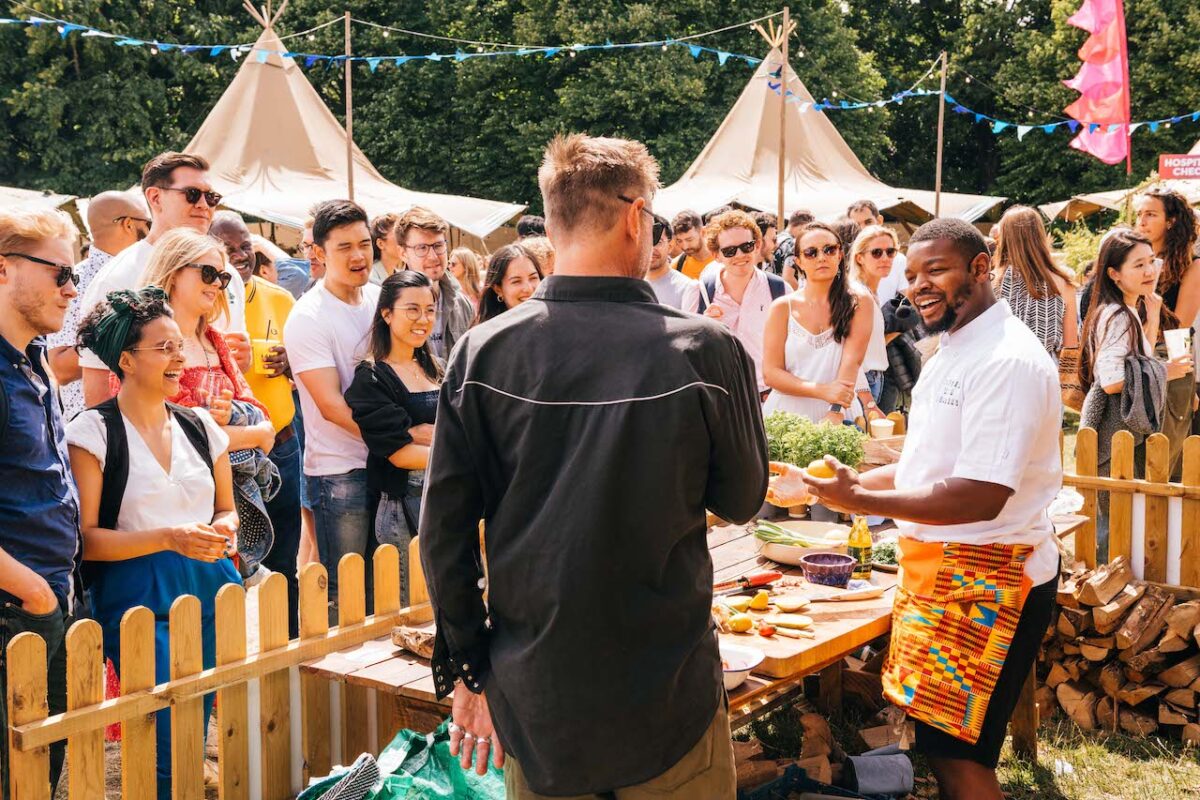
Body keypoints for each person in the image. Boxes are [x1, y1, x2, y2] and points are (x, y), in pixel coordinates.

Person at [422, 133, 766, 798]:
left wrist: (471, 670)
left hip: (537, 684)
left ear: (552, 227)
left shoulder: (483, 354)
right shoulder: (704, 350)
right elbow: (744, 498)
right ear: (637, 219)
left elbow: (444, 538)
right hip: (664, 685)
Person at [770, 218, 1062, 800]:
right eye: (910, 275)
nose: (917, 286)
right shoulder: (956, 344)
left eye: (936, 270)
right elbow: (929, 465)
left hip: (991, 579)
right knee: (938, 744)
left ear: (981, 269)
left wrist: (863, 500)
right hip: (943, 572)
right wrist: (828, 487)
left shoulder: (1007, 361)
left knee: (961, 759)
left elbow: (982, 492)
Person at [68, 287, 241, 800]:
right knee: (164, 728)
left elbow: (226, 508)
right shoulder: (93, 433)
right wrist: (168, 537)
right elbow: (87, 541)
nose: (179, 357)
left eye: (179, 346)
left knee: (198, 715)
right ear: (126, 360)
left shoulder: (201, 425)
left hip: (212, 582)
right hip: (139, 594)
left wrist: (225, 528)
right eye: (164, 347)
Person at [0, 208, 82, 800]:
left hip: (45, 596)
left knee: (39, 770)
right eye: (58, 272)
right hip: (14, 606)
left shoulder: (33, 358)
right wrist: (32, 591)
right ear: (3, 270)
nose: (71, 288)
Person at [78, 153, 250, 407]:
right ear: (155, 198)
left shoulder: (228, 274)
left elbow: (230, 368)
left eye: (212, 197)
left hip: (226, 433)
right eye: (192, 194)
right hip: (154, 437)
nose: (204, 205)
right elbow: (99, 385)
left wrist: (241, 362)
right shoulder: (118, 278)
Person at [284, 200, 384, 618]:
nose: (359, 255)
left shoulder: (383, 299)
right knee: (345, 597)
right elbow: (330, 405)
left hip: (390, 464)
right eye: (345, 247)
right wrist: (400, 440)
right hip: (339, 471)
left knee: (390, 584)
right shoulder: (307, 316)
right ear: (320, 254)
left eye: (364, 244)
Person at [210, 212, 303, 635]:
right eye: (228, 248)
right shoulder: (207, 302)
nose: (240, 255)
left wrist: (290, 363)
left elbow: (306, 368)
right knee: (242, 561)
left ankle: (287, 638)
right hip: (232, 454)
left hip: (283, 441)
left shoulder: (280, 299)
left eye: (245, 245)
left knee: (285, 554)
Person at [1079, 228, 1190, 560]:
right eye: (1138, 265)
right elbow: (1112, 379)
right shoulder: (1118, 316)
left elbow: (1135, 358)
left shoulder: (1125, 311)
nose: (1149, 271)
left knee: (1120, 516)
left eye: (1151, 261)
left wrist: (1152, 316)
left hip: (1116, 433)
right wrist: (1165, 371)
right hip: (1115, 431)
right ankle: (1103, 587)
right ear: (1114, 274)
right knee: (1115, 520)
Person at [345, 271, 440, 607]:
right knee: (410, 610)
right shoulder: (371, 377)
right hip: (405, 507)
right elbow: (400, 455)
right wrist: (456, 450)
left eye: (430, 310)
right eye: (412, 310)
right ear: (386, 313)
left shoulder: (437, 368)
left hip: (446, 499)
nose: (423, 319)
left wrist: (438, 441)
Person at [47, 190, 150, 419]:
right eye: (149, 224)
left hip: (145, 418)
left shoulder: (148, 274)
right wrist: (127, 335)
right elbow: (60, 367)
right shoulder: (74, 282)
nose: (154, 233)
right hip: (94, 429)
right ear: (128, 225)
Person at [764, 222, 875, 423]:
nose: (822, 257)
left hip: (837, 413)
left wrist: (836, 409)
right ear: (798, 261)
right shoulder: (782, 307)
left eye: (829, 250)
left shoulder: (859, 302)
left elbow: (852, 362)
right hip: (785, 417)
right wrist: (822, 390)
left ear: (840, 255)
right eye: (811, 253)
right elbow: (771, 374)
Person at [1136, 187, 1200, 474]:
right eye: (1139, 214)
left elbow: (1180, 328)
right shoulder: (1134, 260)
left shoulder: (1192, 266)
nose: (1142, 221)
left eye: (1150, 214)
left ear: (1171, 221)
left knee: (1166, 456)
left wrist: (1183, 380)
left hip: (1168, 357)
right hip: (1133, 355)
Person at [697, 209, 789, 396]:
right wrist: (704, 327)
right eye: (730, 251)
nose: (739, 255)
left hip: (769, 398)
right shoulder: (702, 292)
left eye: (746, 246)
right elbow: (692, 350)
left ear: (756, 246)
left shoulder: (779, 290)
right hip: (722, 397)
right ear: (717, 255)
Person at [991, 205, 1079, 364]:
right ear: (1040, 235)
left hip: (998, 368)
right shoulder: (1063, 283)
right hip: (1045, 371)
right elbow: (1070, 346)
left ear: (1004, 238)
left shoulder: (991, 282)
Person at [394, 207, 474, 361]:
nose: (433, 257)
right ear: (403, 253)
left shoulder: (462, 304)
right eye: (422, 248)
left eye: (438, 246)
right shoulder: (389, 304)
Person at [848, 224, 903, 412]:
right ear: (860, 258)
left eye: (890, 251)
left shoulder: (871, 292)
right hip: (862, 381)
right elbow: (848, 352)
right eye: (877, 253)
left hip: (876, 376)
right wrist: (867, 399)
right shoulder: (857, 294)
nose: (885, 258)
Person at [848, 200, 908, 302]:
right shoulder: (838, 258)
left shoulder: (899, 260)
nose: (862, 228)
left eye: (868, 222)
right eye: (876, 253)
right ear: (859, 258)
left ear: (879, 220)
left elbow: (907, 298)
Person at [475, 243, 544, 325]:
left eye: (533, 278)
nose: (528, 288)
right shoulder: (487, 335)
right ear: (498, 289)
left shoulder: (555, 326)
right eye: (516, 281)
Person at [645, 213, 700, 313]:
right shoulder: (631, 287)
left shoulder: (687, 288)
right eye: (645, 242)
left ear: (670, 246)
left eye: (658, 242)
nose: (651, 249)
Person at [774, 209, 815, 289]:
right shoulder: (793, 243)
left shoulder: (777, 239)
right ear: (801, 227)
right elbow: (788, 278)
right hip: (785, 292)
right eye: (807, 229)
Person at [670, 209, 714, 279]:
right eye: (679, 241)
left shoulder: (724, 257)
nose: (685, 247)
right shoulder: (676, 267)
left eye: (689, 240)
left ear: (703, 232)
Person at [369, 212, 403, 286]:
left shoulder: (400, 277)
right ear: (380, 244)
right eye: (397, 235)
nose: (403, 240)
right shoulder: (371, 279)